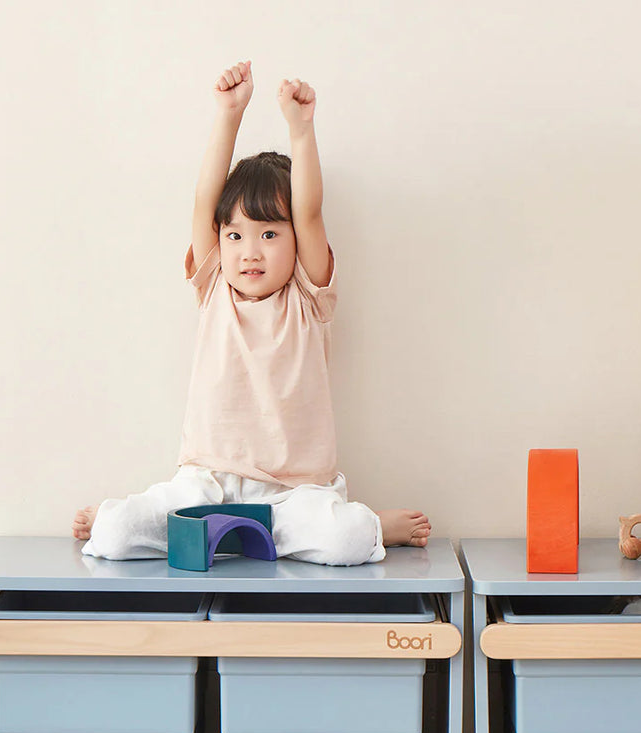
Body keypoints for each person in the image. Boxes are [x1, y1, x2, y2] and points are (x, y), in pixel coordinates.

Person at [73, 60, 430, 564]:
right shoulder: (214, 285)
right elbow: (204, 203)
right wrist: (229, 115)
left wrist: (301, 131)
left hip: (294, 492)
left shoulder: (309, 296)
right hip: (205, 486)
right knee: (112, 535)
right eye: (235, 236)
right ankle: (163, 523)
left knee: (346, 540)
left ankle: (367, 525)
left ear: (294, 242)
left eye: (268, 234)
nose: (250, 252)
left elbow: (308, 211)